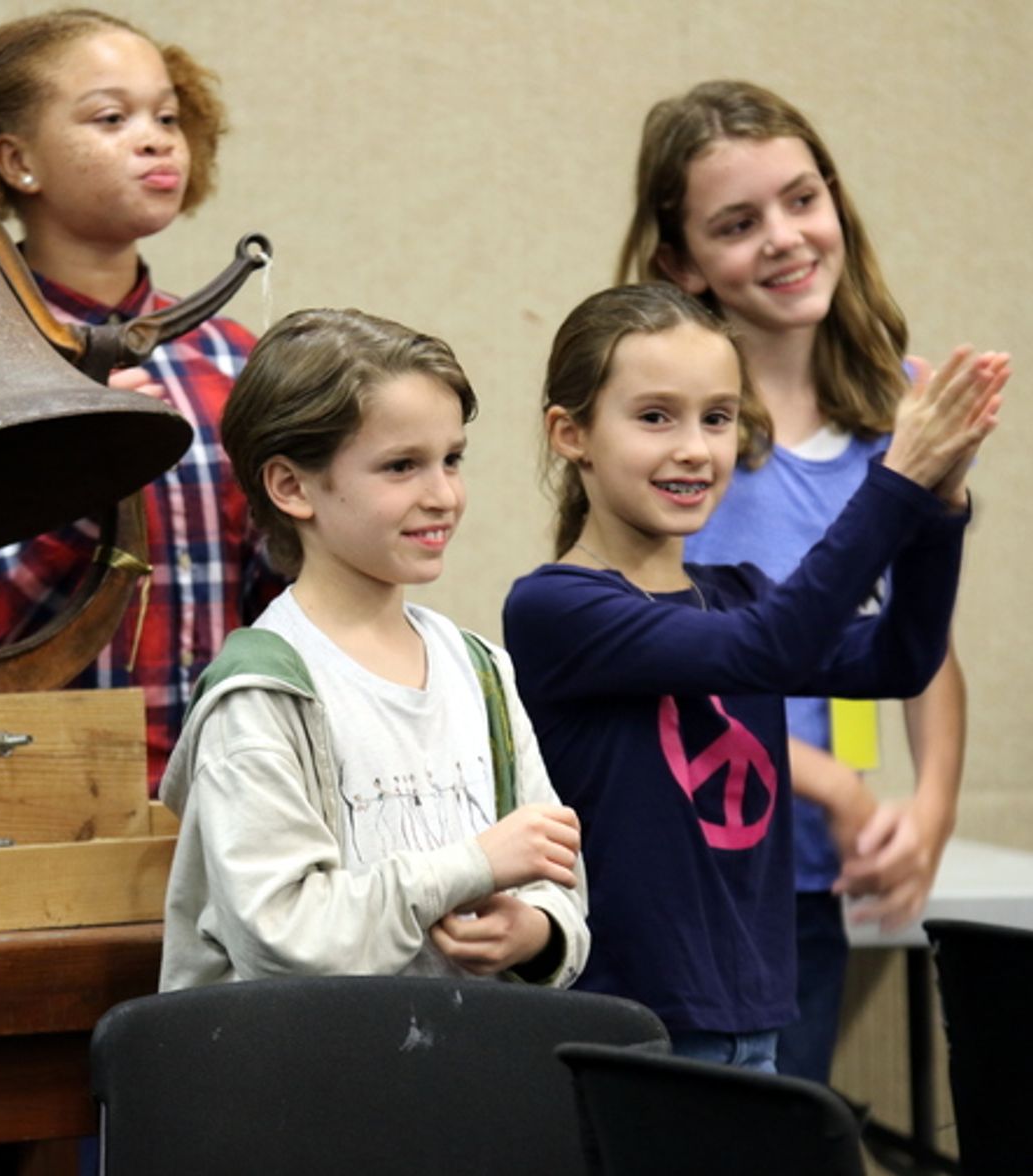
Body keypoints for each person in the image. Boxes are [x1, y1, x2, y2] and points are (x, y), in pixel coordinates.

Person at [503, 282, 1004, 1070]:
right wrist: (895, 484)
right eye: (655, 416)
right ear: (571, 434)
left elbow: (902, 659)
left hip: (757, 1008)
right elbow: (764, 651)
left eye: (719, 416)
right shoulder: (557, 606)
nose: (696, 448)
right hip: (635, 1024)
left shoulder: (737, 590)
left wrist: (938, 507)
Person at [614, 79, 993, 1079]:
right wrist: (824, 782)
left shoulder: (898, 410)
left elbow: (919, 637)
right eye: (736, 224)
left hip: (816, 883)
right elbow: (686, 659)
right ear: (680, 264)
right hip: (710, 874)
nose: (781, 238)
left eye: (798, 199)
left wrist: (930, 807)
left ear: (834, 201)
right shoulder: (687, 443)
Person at [0, 8, 281, 792]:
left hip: (227, 813)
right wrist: (84, 484)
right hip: (33, 814)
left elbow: (278, 613)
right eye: (111, 118)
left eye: (167, 117)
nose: (155, 140)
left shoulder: (232, 357)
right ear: (16, 160)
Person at [159, 308, 591, 991]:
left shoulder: (479, 670)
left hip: (463, 1076)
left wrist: (534, 932)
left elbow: (553, 880)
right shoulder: (261, 693)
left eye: (452, 460)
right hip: (307, 1087)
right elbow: (282, 936)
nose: (443, 494)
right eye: (401, 467)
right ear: (291, 486)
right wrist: (471, 865)